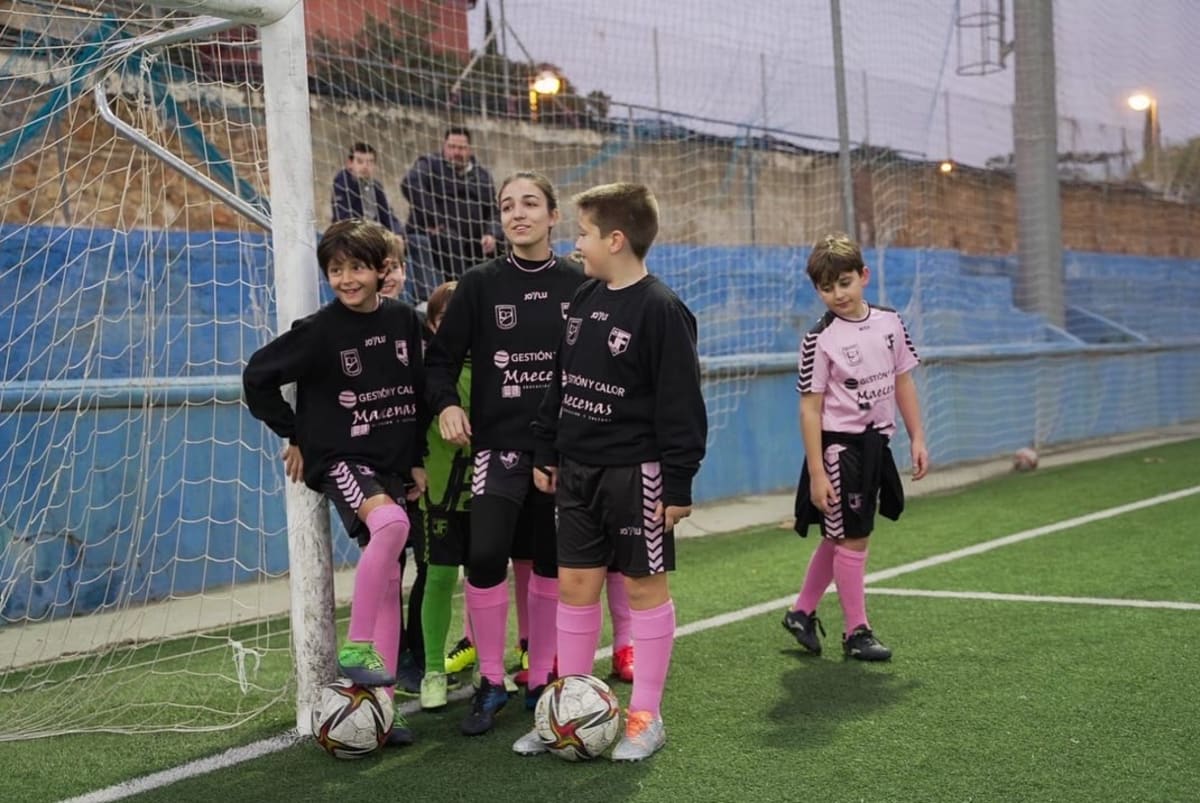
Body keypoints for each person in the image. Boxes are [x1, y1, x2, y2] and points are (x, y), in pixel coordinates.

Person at [522, 182, 707, 762]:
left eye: (582, 233)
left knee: (645, 588)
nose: (575, 244)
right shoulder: (583, 299)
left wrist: (678, 483)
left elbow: (681, 406)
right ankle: (565, 712)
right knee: (576, 586)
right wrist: (546, 449)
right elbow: (561, 378)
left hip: (638, 473)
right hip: (577, 472)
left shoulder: (662, 309)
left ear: (616, 239)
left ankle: (645, 715)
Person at [242, 219, 427, 746]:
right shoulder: (320, 330)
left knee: (392, 577)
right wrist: (295, 432)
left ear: (381, 270)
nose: (346, 278)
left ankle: (381, 711)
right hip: (343, 460)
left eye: (357, 267)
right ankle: (357, 647)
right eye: (336, 269)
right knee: (389, 525)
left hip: (392, 463)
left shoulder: (405, 323)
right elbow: (257, 377)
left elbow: (415, 393)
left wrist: (415, 461)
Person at [425, 171, 586, 736]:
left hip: (558, 453)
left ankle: (539, 678)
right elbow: (439, 361)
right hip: (498, 448)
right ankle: (491, 681)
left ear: (552, 215)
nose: (518, 213)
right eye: (507, 206)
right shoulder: (479, 284)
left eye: (530, 204)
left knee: (547, 564)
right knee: (487, 554)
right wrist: (446, 404)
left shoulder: (579, 283)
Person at [783, 233, 929, 662]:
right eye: (826, 288)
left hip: (875, 444)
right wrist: (816, 472)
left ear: (863, 276)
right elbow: (810, 410)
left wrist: (917, 435)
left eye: (844, 282)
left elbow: (902, 380)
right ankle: (856, 631)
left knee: (841, 534)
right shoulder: (819, 339)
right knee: (854, 537)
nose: (837, 294)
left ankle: (802, 612)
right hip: (840, 448)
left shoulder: (890, 322)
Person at [417, 280, 473, 710]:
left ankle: (485, 661)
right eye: (442, 321)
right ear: (432, 325)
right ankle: (433, 670)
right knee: (438, 577)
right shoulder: (427, 374)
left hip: (487, 491)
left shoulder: (494, 368)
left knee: (485, 578)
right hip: (438, 495)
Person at [401, 127, 502, 300]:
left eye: (461, 148)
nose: (456, 152)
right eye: (452, 147)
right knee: (450, 240)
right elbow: (410, 184)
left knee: (507, 241)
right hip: (437, 234)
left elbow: (493, 212)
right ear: (444, 146)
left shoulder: (482, 176)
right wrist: (438, 220)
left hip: (475, 240)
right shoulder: (429, 164)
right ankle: (459, 297)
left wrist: (491, 234)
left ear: (470, 149)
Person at [331, 142, 401, 233]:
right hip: (351, 236)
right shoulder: (342, 182)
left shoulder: (375, 186)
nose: (365, 166)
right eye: (360, 162)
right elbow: (343, 219)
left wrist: (398, 234)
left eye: (370, 162)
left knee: (418, 241)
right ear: (349, 163)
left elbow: (387, 215)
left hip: (376, 234)